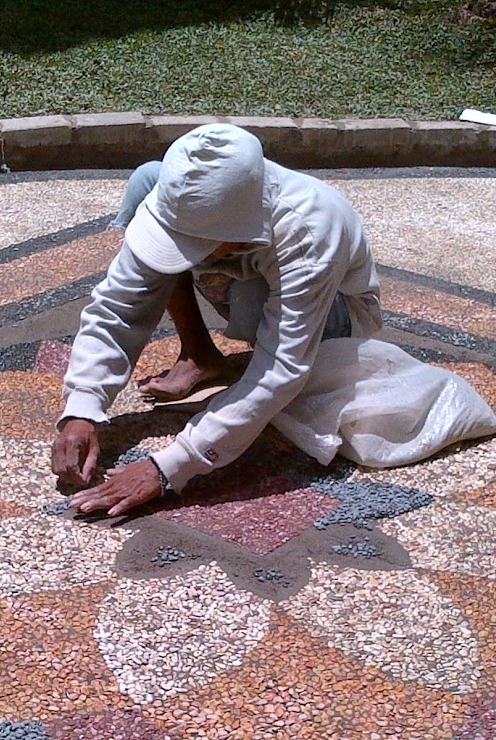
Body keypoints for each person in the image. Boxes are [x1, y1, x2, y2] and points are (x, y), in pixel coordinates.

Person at [50, 123, 382, 514]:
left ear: (241, 231)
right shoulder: (191, 197)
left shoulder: (310, 227)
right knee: (146, 181)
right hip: (247, 280)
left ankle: (235, 362)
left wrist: (169, 466)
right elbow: (119, 303)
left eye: (196, 245)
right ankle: (201, 355)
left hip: (334, 323)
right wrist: (82, 405)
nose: (183, 255)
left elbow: (281, 368)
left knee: (258, 313)